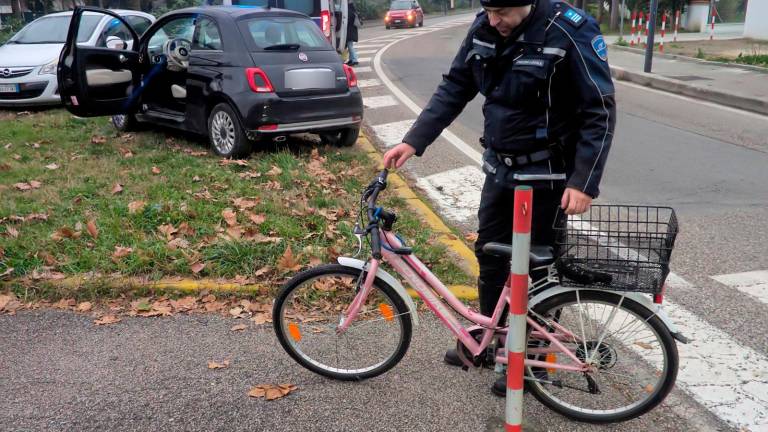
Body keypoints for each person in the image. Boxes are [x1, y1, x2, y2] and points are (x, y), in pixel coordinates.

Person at [381, 0, 616, 396]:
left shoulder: (569, 30)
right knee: (490, 255)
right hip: (501, 170)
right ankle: (489, 340)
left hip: (547, 177)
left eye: (502, 12)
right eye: (489, 11)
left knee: (536, 270)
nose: (494, 21)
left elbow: (600, 109)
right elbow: (455, 86)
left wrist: (583, 182)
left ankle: (531, 365)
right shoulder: (485, 27)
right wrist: (413, 141)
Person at [346, 0, 362, 66]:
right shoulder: (353, 11)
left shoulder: (349, 11)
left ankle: (355, 60)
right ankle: (351, 59)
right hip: (352, 31)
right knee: (350, 45)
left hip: (350, 31)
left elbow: (348, 20)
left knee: (350, 46)